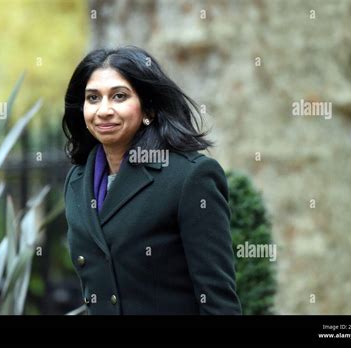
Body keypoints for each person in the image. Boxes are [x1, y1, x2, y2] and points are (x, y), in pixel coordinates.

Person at [62, 45, 241, 315]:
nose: (104, 110)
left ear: (149, 109)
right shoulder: (77, 180)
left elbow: (219, 304)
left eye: (119, 96)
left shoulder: (190, 178)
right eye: (93, 98)